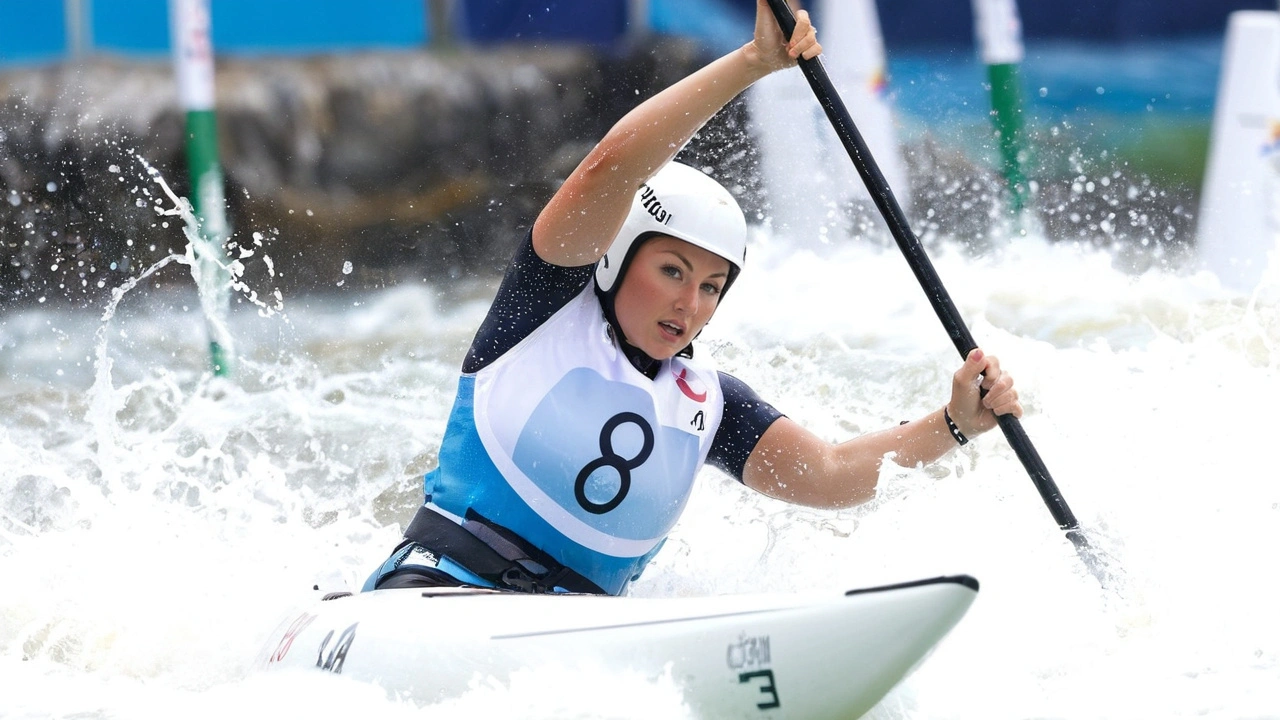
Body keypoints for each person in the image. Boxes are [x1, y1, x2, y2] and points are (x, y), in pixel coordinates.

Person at [362, 1, 1022, 596]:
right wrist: (754, 62)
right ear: (618, 259)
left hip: (583, 631)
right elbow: (610, 166)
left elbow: (827, 472)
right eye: (673, 272)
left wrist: (954, 422)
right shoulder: (541, 310)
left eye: (711, 287)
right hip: (438, 587)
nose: (691, 304)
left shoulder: (708, 402)